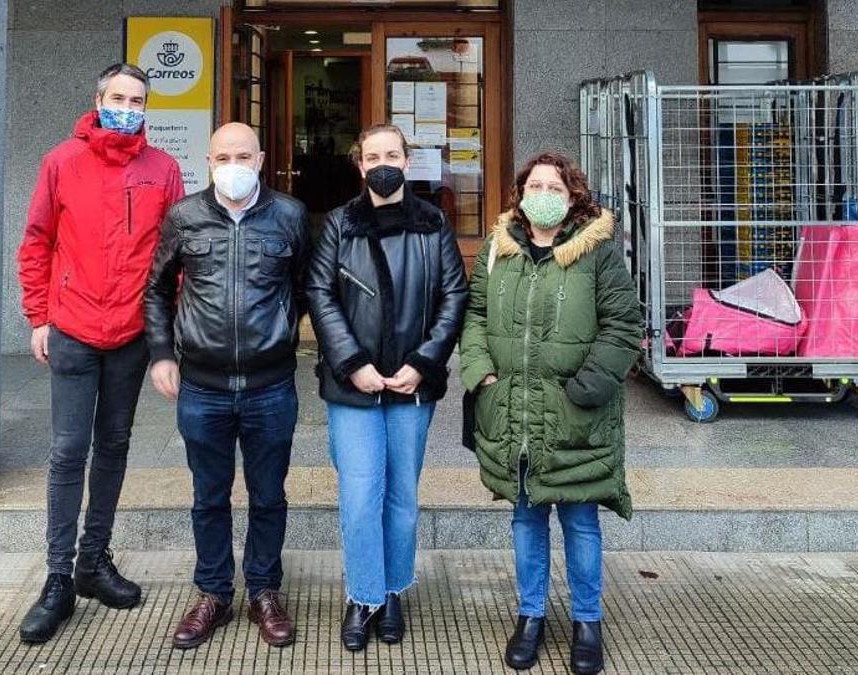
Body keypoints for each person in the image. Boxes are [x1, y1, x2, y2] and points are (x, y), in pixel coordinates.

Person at [16, 63, 184, 644]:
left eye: (137, 100)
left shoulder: (162, 169)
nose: (128, 107)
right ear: (98, 99)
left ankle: (94, 560)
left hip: (132, 334)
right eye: (119, 97)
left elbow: (172, 262)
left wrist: (165, 335)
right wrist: (38, 313)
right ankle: (58, 577)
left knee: (113, 445)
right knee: (68, 451)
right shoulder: (61, 162)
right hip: (73, 326)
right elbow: (37, 240)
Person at [458, 152, 642, 674]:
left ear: (572, 195)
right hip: (512, 411)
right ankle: (530, 616)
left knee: (580, 519)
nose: (543, 194)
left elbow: (624, 323)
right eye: (533, 185)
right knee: (526, 517)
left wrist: (588, 387)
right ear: (519, 194)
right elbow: (475, 314)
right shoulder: (499, 249)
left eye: (554, 187)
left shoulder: (597, 251)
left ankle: (588, 621)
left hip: (576, 414)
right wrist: (480, 373)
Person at [144, 122, 311, 649]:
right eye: (223, 156)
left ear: (260, 159)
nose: (233, 164)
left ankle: (264, 590)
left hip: (269, 385)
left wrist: (282, 334)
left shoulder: (290, 215)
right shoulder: (184, 215)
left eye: (243, 155)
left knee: (268, 495)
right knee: (208, 496)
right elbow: (155, 291)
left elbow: (306, 288)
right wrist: (161, 353)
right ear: (209, 161)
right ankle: (213, 593)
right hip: (202, 385)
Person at [306, 124, 469, 651]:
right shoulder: (338, 224)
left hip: (410, 386)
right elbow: (320, 293)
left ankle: (394, 589)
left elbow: (453, 295)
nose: (383, 163)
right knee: (358, 496)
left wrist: (423, 363)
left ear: (407, 160)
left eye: (392, 154)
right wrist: (352, 362)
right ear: (359, 164)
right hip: (353, 386)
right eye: (372, 155)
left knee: (401, 497)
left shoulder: (433, 223)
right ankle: (364, 595)